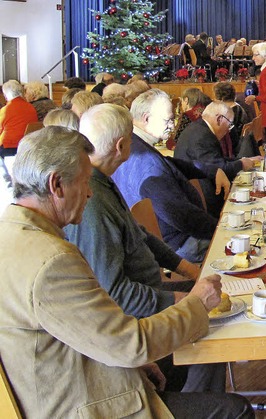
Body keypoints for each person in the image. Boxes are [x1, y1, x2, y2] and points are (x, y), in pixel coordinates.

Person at [0, 126, 253, 418]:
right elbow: (132, 344)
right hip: (80, 403)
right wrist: (196, 305)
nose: (90, 191)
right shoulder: (52, 262)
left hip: (73, 375)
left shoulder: (14, 234)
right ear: (56, 185)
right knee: (235, 410)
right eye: (84, 182)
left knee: (201, 341)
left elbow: (73, 330)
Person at [64, 103, 228, 394]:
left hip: (152, 293)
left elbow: (140, 235)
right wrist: (185, 300)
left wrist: (188, 270)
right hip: (136, 324)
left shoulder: (102, 180)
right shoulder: (94, 202)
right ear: (121, 145)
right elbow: (117, 296)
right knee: (210, 324)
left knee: (217, 292)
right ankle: (194, 405)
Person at [112, 89, 219, 263]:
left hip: (170, 238)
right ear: (146, 118)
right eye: (168, 120)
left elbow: (171, 163)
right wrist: (218, 229)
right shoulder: (147, 162)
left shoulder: (135, 143)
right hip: (180, 245)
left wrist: (212, 170)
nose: (172, 125)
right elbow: (181, 216)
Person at [175, 101, 258, 181]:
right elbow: (218, 169)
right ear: (219, 119)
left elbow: (217, 159)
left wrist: (244, 159)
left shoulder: (200, 127)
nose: (228, 130)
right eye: (229, 125)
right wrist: (241, 164)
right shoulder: (204, 136)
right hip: (199, 187)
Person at [0, 80, 38, 157]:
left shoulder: (6, 110)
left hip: (9, 147)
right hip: (27, 146)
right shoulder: (31, 107)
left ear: (7, 94)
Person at [215, 82, 250, 156]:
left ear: (221, 98)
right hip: (243, 143)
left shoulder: (229, 113)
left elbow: (229, 136)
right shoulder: (238, 107)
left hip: (235, 147)